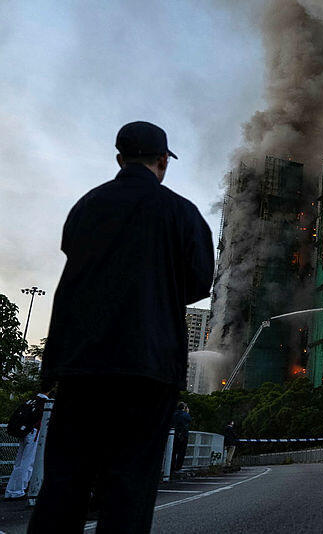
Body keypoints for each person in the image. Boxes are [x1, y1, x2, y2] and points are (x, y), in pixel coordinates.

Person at [29, 121, 214, 533]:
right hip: (148, 367)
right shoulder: (182, 212)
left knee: (64, 482)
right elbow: (200, 282)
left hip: (81, 364)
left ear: (119, 159)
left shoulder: (88, 205)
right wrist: (157, 291)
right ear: (163, 161)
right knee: (130, 486)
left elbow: (74, 253)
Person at [4, 389, 51, 501]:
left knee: (19, 463)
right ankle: (19, 490)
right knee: (28, 463)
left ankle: (10, 491)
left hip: (24, 433)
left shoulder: (30, 401)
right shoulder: (45, 403)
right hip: (34, 434)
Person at [171, 403, 192, 472]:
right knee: (181, 452)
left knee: (173, 452)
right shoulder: (186, 415)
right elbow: (189, 421)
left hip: (173, 435)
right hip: (183, 435)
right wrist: (187, 412)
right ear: (184, 408)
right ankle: (178, 467)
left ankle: (171, 467)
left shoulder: (174, 414)